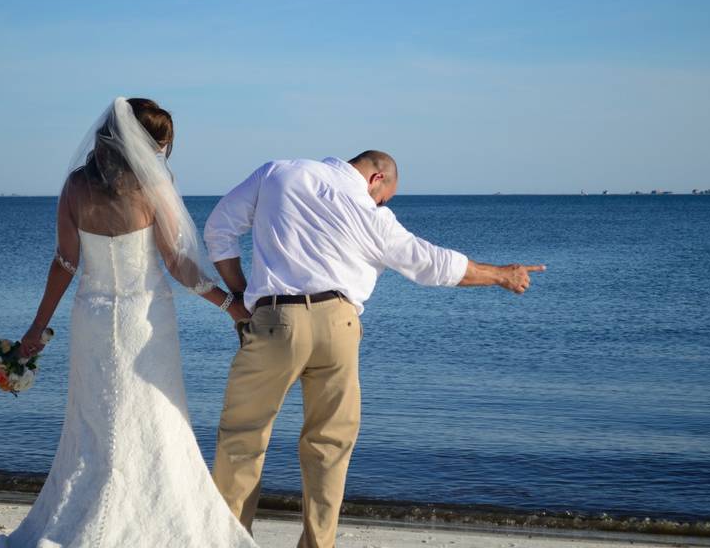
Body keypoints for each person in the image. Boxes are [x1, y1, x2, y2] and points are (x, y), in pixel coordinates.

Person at [204, 151, 544, 548]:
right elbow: (432, 263)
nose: (382, 204)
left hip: (277, 321)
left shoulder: (279, 173)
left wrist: (242, 296)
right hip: (339, 326)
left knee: (244, 439)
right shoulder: (371, 216)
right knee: (329, 446)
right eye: (385, 197)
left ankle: (228, 541)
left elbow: (218, 231)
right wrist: (500, 275)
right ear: (376, 177)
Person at [0, 98, 256, 548]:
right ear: (142, 144)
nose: (161, 155)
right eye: (160, 145)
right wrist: (229, 306)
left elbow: (65, 262)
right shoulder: (153, 187)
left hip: (93, 318)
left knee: (93, 420)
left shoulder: (75, 187)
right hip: (146, 319)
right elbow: (179, 265)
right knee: (159, 419)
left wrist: (36, 330)